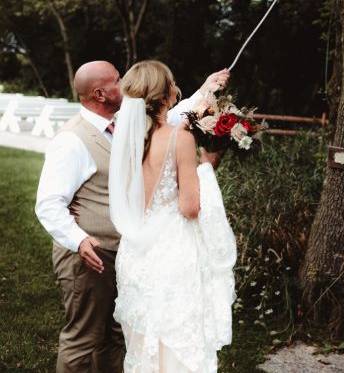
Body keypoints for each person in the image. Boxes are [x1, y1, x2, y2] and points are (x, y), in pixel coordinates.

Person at [35, 60, 230, 372]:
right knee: (83, 338)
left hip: (131, 251)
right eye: (117, 79)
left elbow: (172, 117)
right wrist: (79, 240)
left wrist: (207, 89)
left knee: (118, 337)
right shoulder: (71, 140)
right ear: (100, 94)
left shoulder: (130, 127)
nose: (125, 83)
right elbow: (47, 203)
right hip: (88, 254)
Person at [108, 60, 237, 372]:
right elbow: (190, 207)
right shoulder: (180, 138)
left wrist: (207, 89)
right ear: (166, 95)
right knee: (176, 339)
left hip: (136, 251)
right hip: (172, 252)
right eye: (173, 85)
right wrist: (206, 167)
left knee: (143, 342)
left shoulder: (124, 140)